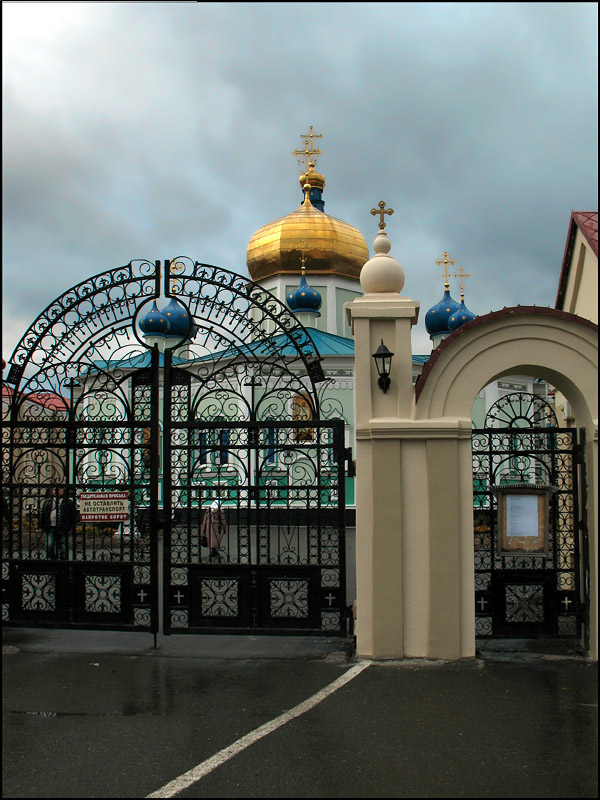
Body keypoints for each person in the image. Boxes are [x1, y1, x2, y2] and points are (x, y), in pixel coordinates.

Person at [41, 487, 75, 559]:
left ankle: (63, 563)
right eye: (54, 489)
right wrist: (42, 524)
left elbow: (72, 515)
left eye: (59, 489)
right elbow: (43, 513)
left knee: (63, 547)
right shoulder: (48, 501)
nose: (57, 491)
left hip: (62, 528)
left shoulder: (68, 502)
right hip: (51, 527)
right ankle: (53, 559)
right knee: (49, 545)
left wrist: (70, 526)